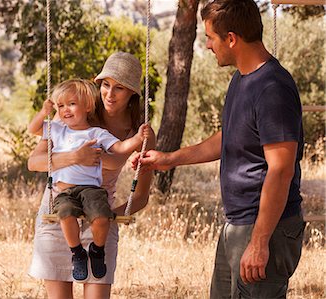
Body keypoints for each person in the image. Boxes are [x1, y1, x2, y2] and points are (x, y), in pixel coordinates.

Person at [132, 0, 305, 298]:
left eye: (211, 38)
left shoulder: (273, 88)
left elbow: (281, 169)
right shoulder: (242, 79)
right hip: (238, 225)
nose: (209, 46)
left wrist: (260, 241)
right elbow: (229, 137)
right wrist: (170, 159)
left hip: (266, 229)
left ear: (232, 38)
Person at [28, 52, 156, 299]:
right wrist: (74, 157)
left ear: (133, 93)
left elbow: (140, 197)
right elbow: (34, 162)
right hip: (60, 211)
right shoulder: (73, 111)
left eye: (119, 88)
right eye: (106, 84)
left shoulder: (140, 133)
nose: (109, 94)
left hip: (99, 215)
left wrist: (110, 217)